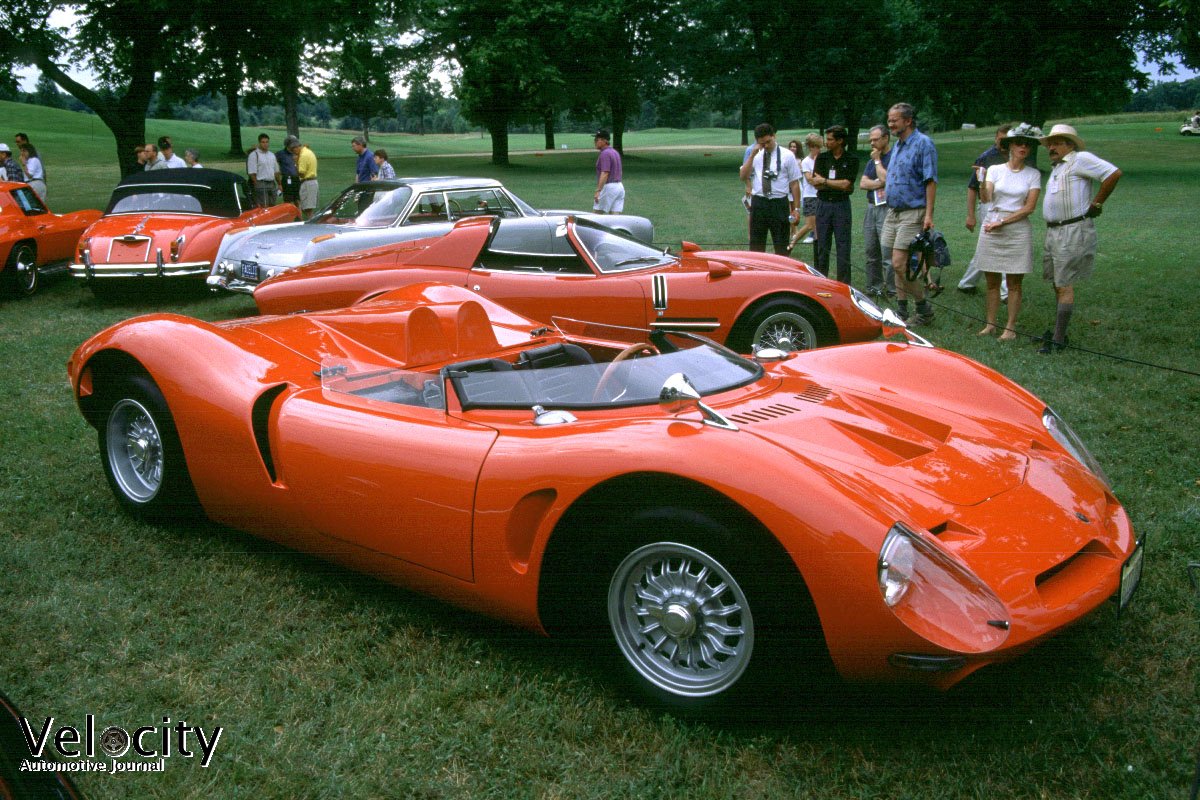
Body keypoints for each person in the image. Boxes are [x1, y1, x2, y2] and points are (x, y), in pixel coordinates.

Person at [1037, 123, 1121, 354]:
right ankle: (1058, 332)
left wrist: (1097, 203)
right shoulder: (1058, 167)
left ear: (1069, 144)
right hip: (1054, 231)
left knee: (1064, 284)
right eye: (1049, 144)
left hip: (1072, 230)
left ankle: (1058, 338)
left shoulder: (1080, 159)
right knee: (1057, 282)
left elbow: (1113, 174)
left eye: (1056, 143)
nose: (1051, 147)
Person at [972, 123, 1042, 341]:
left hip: (1016, 229)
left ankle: (1010, 328)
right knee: (991, 281)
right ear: (1009, 145)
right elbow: (986, 198)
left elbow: (1029, 207)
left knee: (1014, 283)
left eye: (1028, 145)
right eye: (1019, 143)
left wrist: (1002, 222)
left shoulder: (1033, 174)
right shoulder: (994, 170)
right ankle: (990, 324)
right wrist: (982, 182)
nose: (1023, 147)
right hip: (992, 226)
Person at [881, 102, 938, 325]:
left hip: (913, 212)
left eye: (894, 120)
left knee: (899, 262)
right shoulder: (898, 145)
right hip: (893, 212)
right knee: (897, 263)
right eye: (889, 120)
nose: (890, 124)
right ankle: (902, 310)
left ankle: (924, 310)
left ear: (908, 121)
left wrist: (928, 215)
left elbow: (931, 181)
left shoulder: (924, 144)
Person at [959, 124, 1012, 300]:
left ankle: (967, 283)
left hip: (1008, 206)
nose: (1003, 142)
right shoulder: (986, 158)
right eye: (1000, 138)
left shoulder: (1014, 156)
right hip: (988, 206)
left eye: (1007, 139)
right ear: (995, 138)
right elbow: (972, 188)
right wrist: (971, 215)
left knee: (987, 246)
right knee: (999, 245)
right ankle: (1005, 292)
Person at [738, 123, 802, 254]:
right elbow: (743, 176)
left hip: (779, 203)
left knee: (781, 245)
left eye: (768, 141)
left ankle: (781, 273)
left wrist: (796, 209)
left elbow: (794, 184)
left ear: (774, 136)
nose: (766, 146)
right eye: (762, 143)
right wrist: (752, 156)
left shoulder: (787, 155)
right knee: (756, 246)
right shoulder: (755, 154)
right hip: (759, 202)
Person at [810, 125, 859, 283]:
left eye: (830, 139)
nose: (826, 142)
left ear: (840, 141)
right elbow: (815, 183)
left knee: (843, 246)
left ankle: (844, 284)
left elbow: (847, 185)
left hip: (841, 206)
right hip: (823, 205)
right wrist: (835, 184)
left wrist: (825, 181)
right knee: (822, 245)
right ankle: (820, 281)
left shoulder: (852, 159)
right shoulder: (822, 158)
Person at [859, 124, 896, 297]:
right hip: (871, 207)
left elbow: (887, 179)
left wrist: (877, 162)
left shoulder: (893, 157)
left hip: (887, 207)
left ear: (886, 138)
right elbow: (862, 183)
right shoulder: (870, 160)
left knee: (887, 250)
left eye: (875, 139)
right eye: (870, 140)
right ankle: (874, 286)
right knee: (871, 249)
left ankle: (892, 289)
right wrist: (879, 183)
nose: (872, 143)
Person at [797, 133, 821, 256]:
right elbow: (810, 180)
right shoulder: (806, 161)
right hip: (810, 196)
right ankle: (792, 242)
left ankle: (818, 249)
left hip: (821, 196)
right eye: (813, 146)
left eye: (817, 146)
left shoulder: (822, 159)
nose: (816, 149)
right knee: (810, 225)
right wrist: (822, 181)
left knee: (819, 225)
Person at [592, 129, 625, 213]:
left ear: (604, 141)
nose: (594, 142)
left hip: (608, 187)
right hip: (619, 187)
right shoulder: (615, 152)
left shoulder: (605, 153)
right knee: (614, 218)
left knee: (596, 215)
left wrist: (598, 190)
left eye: (597, 139)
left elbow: (605, 173)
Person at [289, 136, 319, 220]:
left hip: (307, 182)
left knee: (307, 208)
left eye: (293, 151)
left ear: (296, 148)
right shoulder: (308, 151)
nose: (294, 154)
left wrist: (296, 163)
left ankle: (315, 223)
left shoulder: (303, 155)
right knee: (307, 207)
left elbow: (301, 173)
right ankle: (314, 221)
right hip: (311, 182)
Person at [247, 133, 281, 208]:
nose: (265, 144)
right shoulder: (254, 155)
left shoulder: (271, 155)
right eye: (263, 142)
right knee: (264, 206)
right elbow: (251, 173)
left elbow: (276, 171)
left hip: (272, 183)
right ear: (259, 143)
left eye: (267, 142)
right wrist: (257, 184)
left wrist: (279, 184)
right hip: (261, 183)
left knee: (272, 206)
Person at [277, 139, 300, 205]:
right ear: (288, 145)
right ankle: (290, 214)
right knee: (289, 200)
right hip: (287, 179)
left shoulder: (296, 153)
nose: (295, 147)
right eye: (293, 145)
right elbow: (273, 161)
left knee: (297, 200)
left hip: (296, 179)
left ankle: (299, 215)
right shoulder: (280, 154)